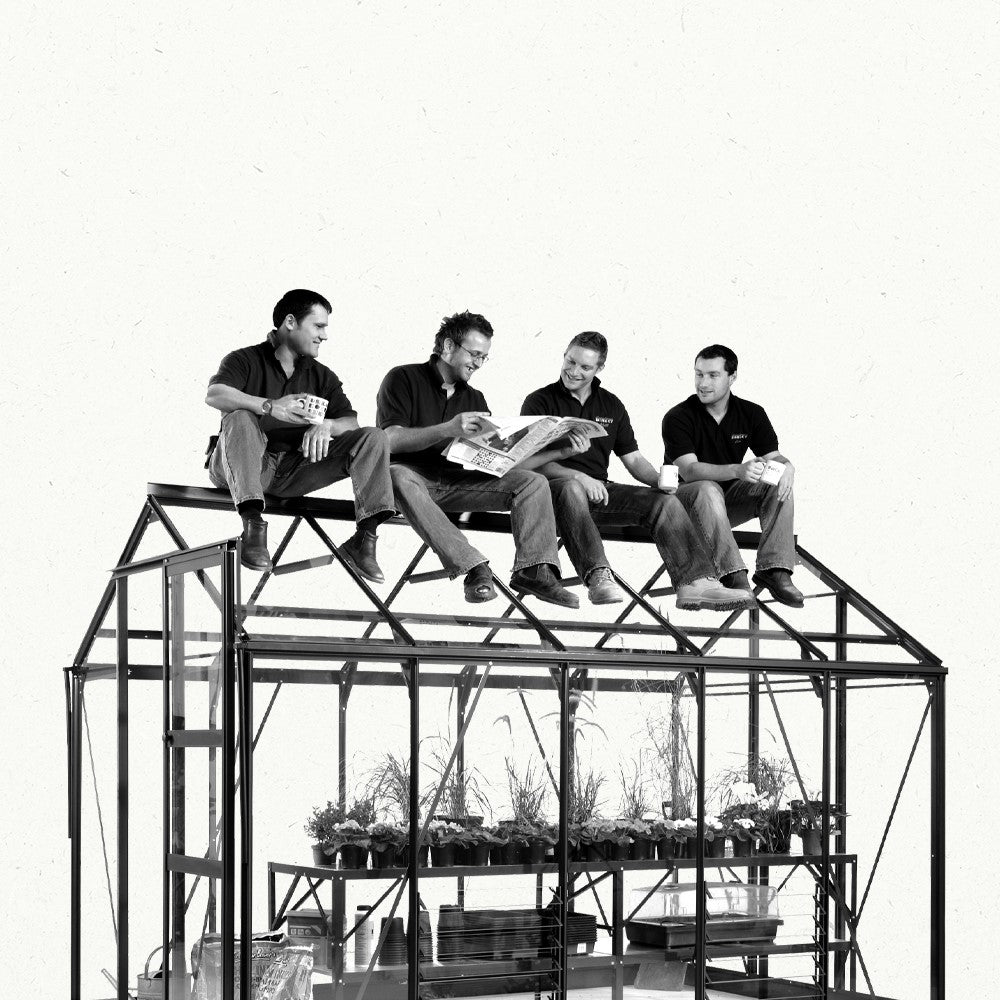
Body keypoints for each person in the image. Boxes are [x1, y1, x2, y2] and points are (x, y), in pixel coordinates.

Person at [519, 332, 755, 611]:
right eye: (570, 362)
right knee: (571, 487)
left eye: (585, 367)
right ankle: (598, 576)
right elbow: (529, 462)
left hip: (600, 491)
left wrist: (659, 481)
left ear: (599, 368)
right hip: (555, 492)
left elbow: (633, 459)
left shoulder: (611, 404)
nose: (574, 371)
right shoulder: (539, 401)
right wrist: (579, 476)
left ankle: (694, 583)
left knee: (664, 501)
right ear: (564, 356)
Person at [376, 310, 579, 607]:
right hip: (412, 482)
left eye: (484, 357)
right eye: (474, 354)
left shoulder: (475, 398)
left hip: (456, 482)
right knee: (396, 475)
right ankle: (474, 567)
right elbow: (390, 439)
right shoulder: (403, 378)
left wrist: (552, 449)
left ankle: (534, 571)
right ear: (448, 346)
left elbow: (491, 462)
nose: (479, 364)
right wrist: (448, 429)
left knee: (533, 482)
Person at [206, 289, 396, 578]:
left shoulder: (322, 375)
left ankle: (364, 540)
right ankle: (253, 527)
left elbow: (352, 423)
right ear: (291, 322)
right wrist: (270, 406)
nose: (324, 335)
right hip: (241, 467)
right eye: (318, 326)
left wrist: (328, 425)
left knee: (375, 437)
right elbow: (215, 394)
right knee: (241, 417)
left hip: (292, 470)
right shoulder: (244, 359)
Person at [661, 344, 803, 607]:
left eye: (713, 375)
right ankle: (732, 574)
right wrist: (737, 470)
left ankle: (775, 570)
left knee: (776, 481)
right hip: (685, 508)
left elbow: (774, 457)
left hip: (724, 507)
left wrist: (788, 467)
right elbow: (689, 471)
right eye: (699, 374)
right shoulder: (678, 417)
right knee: (707, 487)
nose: (703, 383)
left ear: (732, 377)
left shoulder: (751, 413)